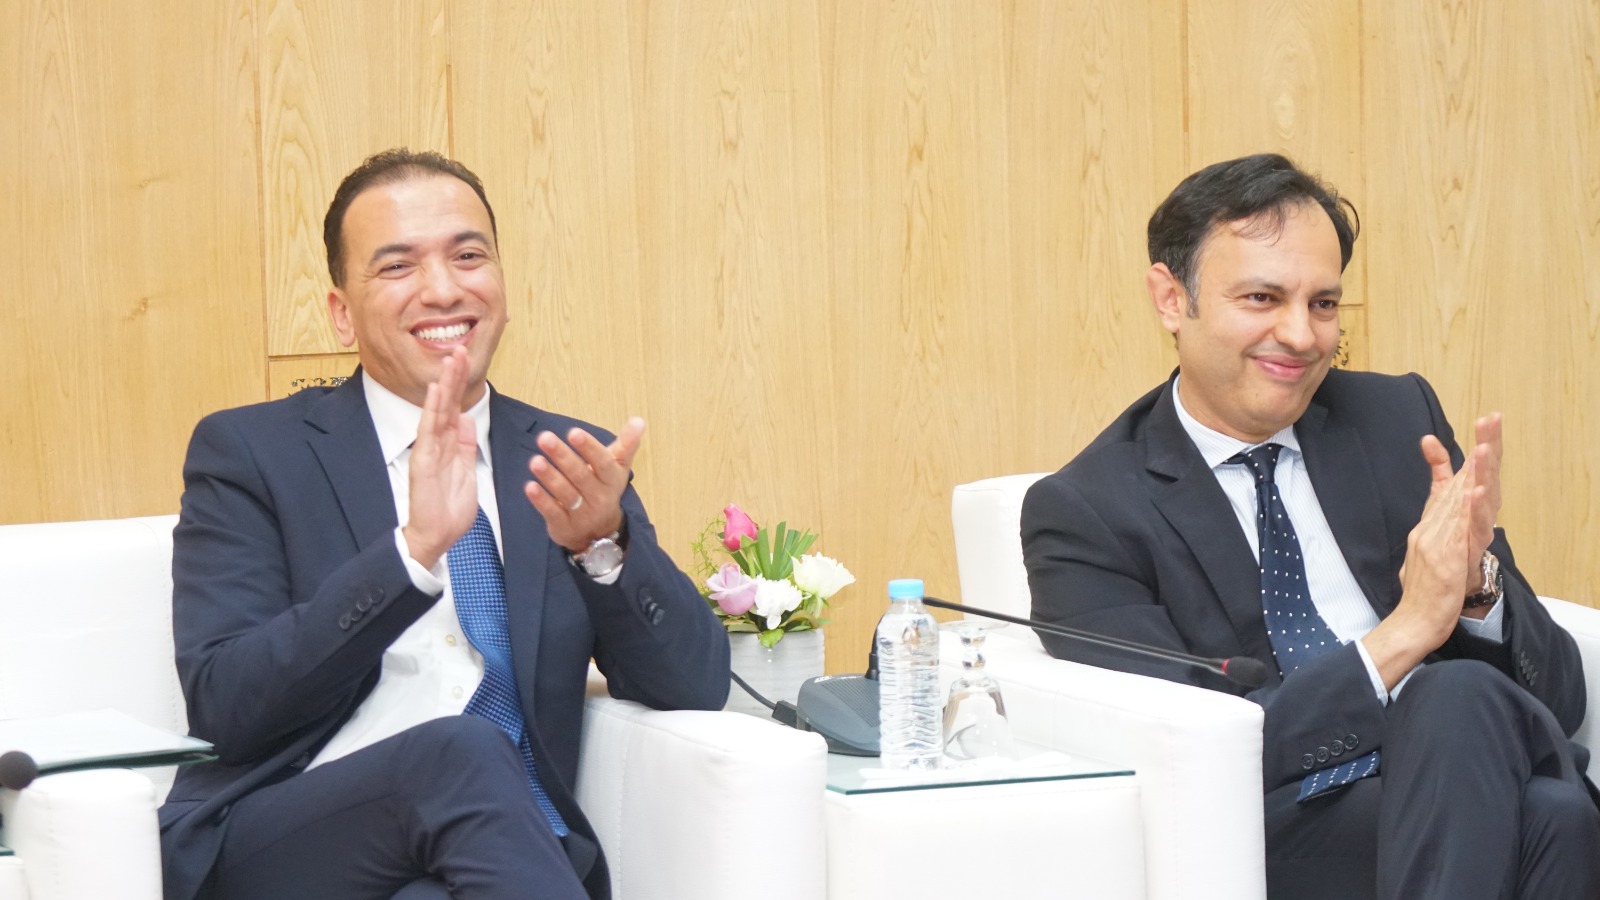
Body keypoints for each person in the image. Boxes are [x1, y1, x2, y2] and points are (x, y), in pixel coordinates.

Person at [1021, 153, 1599, 899]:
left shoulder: (1396, 421)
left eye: (1323, 304)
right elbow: (1190, 756)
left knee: (1472, 717)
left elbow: (1561, 703)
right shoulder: (1086, 514)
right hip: (1286, 826)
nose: (1300, 335)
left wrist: (1475, 589)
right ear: (1170, 297)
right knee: (1554, 813)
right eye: (1262, 298)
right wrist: (1403, 635)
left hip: (1467, 776)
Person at [158, 149, 730, 900]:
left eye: (468, 256)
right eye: (398, 266)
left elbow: (695, 686)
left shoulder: (566, 463)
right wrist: (412, 553)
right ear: (341, 313)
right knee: (459, 751)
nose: (443, 288)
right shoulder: (254, 453)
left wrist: (603, 546)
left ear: (502, 286)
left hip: (495, 854)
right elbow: (226, 705)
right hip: (294, 840)